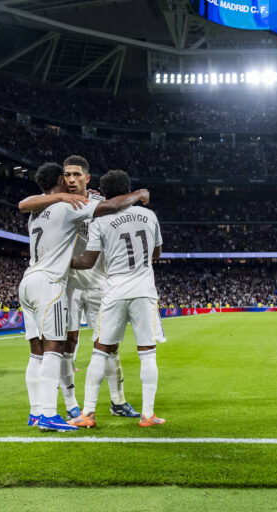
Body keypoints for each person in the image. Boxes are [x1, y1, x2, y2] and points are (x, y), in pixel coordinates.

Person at [17, 162, 150, 432]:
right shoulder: (60, 203)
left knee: (106, 345)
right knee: (63, 345)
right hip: (62, 283)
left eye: (76, 174)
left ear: (87, 178)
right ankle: (67, 406)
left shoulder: (92, 202)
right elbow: (26, 202)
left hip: (92, 283)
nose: (71, 179)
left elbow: (115, 211)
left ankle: (117, 400)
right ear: (61, 180)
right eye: (66, 175)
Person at [68, 170, 166, 428]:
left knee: (101, 351)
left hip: (113, 291)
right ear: (128, 189)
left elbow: (88, 262)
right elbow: (156, 254)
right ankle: (148, 415)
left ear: (106, 193)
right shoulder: (149, 215)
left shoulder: (100, 220)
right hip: (144, 290)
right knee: (147, 352)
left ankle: (88, 414)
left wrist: (64, 261)